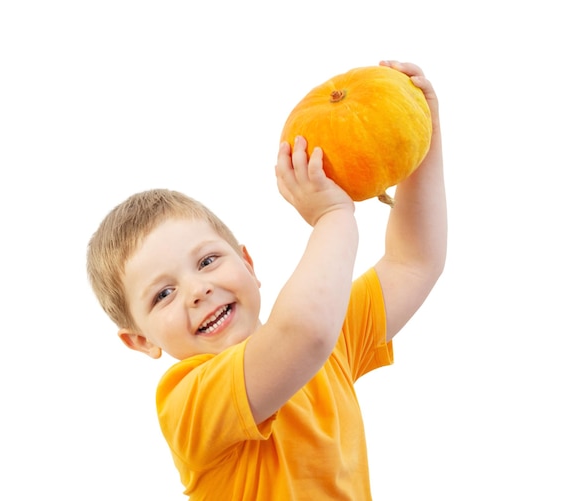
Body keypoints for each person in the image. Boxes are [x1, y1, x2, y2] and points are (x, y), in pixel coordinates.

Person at [86, 60, 447, 500]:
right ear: (140, 340)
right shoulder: (188, 402)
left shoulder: (331, 337)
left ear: (249, 265)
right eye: (163, 293)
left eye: (207, 261)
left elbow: (414, 262)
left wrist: (420, 139)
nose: (198, 291)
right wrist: (333, 217)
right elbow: (303, 333)